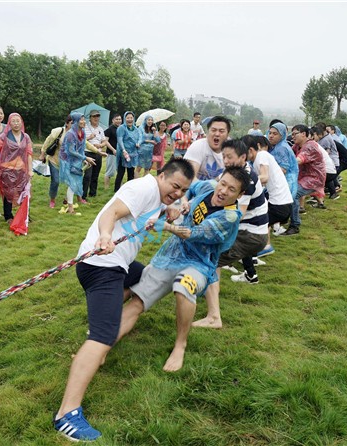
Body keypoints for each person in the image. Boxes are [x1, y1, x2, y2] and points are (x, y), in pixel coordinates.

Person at [53, 159, 195, 442]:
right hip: (101, 265)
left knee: (142, 275)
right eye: (175, 186)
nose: (178, 193)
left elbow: (154, 213)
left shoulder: (157, 196)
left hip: (120, 265)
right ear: (161, 176)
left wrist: (172, 208)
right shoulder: (142, 187)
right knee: (103, 336)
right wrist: (105, 236)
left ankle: (101, 317)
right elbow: (112, 212)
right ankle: (66, 414)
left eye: (183, 190)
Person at [116, 166, 248, 372]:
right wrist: (183, 201)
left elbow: (195, 232)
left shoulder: (230, 217)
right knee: (138, 301)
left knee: (183, 285)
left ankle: (180, 345)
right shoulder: (209, 187)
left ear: (240, 194)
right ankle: (102, 344)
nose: (223, 191)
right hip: (170, 256)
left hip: (199, 263)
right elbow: (190, 188)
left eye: (232, 189)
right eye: (223, 183)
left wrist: (167, 226)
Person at [193, 140, 268, 328]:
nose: (225, 160)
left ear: (243, 158)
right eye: (223, 156)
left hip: (250, 234)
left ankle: (214, 317)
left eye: (229, 157)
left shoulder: (245, 181)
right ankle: (206, 295)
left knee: (211, 260)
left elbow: (236, 215)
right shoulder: (236, 173)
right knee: (212, 258)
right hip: (249, 231)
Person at [241, 135, 293, 258]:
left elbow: (264, 177)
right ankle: (262, 248)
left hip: (279, 203)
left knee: (255, 222)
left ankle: (263, 248)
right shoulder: (258, 160)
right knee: (263, 221)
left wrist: (243, 181)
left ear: (251, 150)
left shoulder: (262, 156)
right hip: (283, 202)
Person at [0, 113, 33, 224]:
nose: (16, 123)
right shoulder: (4, 136)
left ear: (21, 122)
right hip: (7, 170)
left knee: (24, 192)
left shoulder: (26, 137)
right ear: (9, 123)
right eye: (13, 121)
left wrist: (30, 170)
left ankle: (25, 215)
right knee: (8, 193)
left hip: (21, 170)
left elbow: (29, 153)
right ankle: (8, 216)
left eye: (18, 121)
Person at [284, 125, 326, 236]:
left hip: (314, 178)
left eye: (295, 134)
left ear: (303, 134)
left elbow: (298, 160)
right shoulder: (296, 146)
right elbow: (287, 155)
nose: (292, 137)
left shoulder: (310, 146)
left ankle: (295, 225)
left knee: (292, 193)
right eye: (291, 134)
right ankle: (284, 219)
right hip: (302, 176)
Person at [58, 112, 95, 215]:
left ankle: (68, 200)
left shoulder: (83, 133)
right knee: (72, 183)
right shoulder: (70, 134)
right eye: (81, 119)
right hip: (66, 160)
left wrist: (84, 160)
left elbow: (81, 148)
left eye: (84, 119)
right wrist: (85, 157)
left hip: (76, 160)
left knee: (75, 182)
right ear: (75, 121)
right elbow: (70, 151)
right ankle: (70, 209)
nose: (83, 122)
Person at [40, 115, 73, 208]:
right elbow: (47, 141)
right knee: (55, 181)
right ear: (67, 123)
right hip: (54, 159)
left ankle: (67, 199)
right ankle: (52, 200)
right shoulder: (59, 131)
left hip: (67, 162)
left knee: (71, 181)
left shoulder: (75, 134)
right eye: (72, 123)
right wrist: (42, 153)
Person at [184, 115, 231, 180]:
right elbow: (190, 177)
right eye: (213, 130)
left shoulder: (232, 152)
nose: (217, 134)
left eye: (221, 131)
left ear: (227, 135)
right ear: (207, 132)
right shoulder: (198, 146)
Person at [82, 110, 109, 200]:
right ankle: (83, 195)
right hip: (87, 153)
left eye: (98, 116)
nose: (96, 118)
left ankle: (92, 194)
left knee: (95, 175)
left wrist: (100, 145)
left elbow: (104, 141)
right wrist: (89, 137)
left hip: (98, 153)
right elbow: (80, 140)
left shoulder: (100, 129)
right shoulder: (84, 127)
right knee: (87, 175)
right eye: (94, 116)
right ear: (90, 118)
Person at [114, 111, 140, 191]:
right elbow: (120, 139)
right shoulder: (121, 128)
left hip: (132, 154)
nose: (130, 119)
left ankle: (129, 190)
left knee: (131, 173)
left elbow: (139, 138)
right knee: (121, 173)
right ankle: (117, 190)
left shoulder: (136, 129)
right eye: (128, 118)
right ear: (125, 118)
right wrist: (123, 150)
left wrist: (138, 143)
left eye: (131, 118)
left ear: (133, 119)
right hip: (123, 154)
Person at [103, 113, 121, 190]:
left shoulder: (121, 128)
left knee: (120, 171)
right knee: (109, 171)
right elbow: (106, 142)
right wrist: (113, 150)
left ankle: (120, 186)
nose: (118, 121)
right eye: (116, 119)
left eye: (120, 119)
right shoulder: (109, 129)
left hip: (120, 153)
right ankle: (106, 188)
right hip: (112, 153)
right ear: (113, 120)